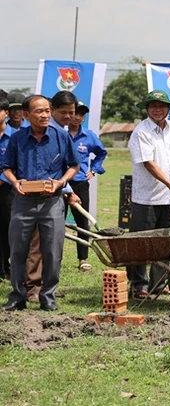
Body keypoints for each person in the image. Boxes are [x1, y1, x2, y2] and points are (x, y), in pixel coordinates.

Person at [1, 95, 79, 311]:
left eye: (47, 110)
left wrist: (61, 182)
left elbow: (74, 165)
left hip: (52, 202)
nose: (45, 115)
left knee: (53, 251)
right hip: (23, 202)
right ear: (26, 115)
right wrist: (15, 182)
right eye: (39, 111)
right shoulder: (17, 139)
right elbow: (6, 167)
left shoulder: (61, 137)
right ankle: (18, 296)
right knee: (18, 250)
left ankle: (48, 296)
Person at [127, 90, 170, 301]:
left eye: (161, 106)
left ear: (168, 109)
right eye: (153, 105)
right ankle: (138, 285)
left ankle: (158, 282)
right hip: (147, 198)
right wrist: (169, 183)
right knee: (141, 244)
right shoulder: (141, 131)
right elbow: (148, 162)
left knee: (164, 242)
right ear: (146, 109)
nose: (157, 109)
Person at [67, 101, 108, 271]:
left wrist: (94, 170)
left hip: (80, 183)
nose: (78, 117)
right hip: (60, 183)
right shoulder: (59, 134)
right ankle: (53, 258)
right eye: (76, 113)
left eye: (82, 114)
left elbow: (101, 152)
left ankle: (83, 258)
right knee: (55, 221)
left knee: (82, 221)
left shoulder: (89, 136)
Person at [0, 98, 16, 279]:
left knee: (10, 228)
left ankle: (9, 265)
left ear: (6, 113)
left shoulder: (16, 137)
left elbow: (18, 164)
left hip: (9, 189)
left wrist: (2, 179)